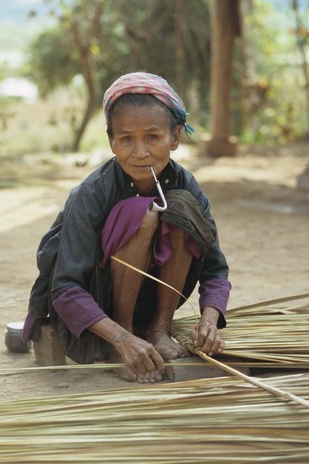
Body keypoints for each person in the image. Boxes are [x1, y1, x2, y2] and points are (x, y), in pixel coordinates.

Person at [22, 72, 231, 383]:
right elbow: (65, 287)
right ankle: (123, 339)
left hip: (152, 300)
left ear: (174, 138)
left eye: (152, 137)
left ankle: (159, 330)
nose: (140, 152)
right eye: (126, 139)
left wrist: (210, 320)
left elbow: (214, 268)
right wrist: (120, 338)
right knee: (142, 213)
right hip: (99, 308)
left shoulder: (186, 184)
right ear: (112, 142)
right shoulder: (92, 193)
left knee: (180, 207)